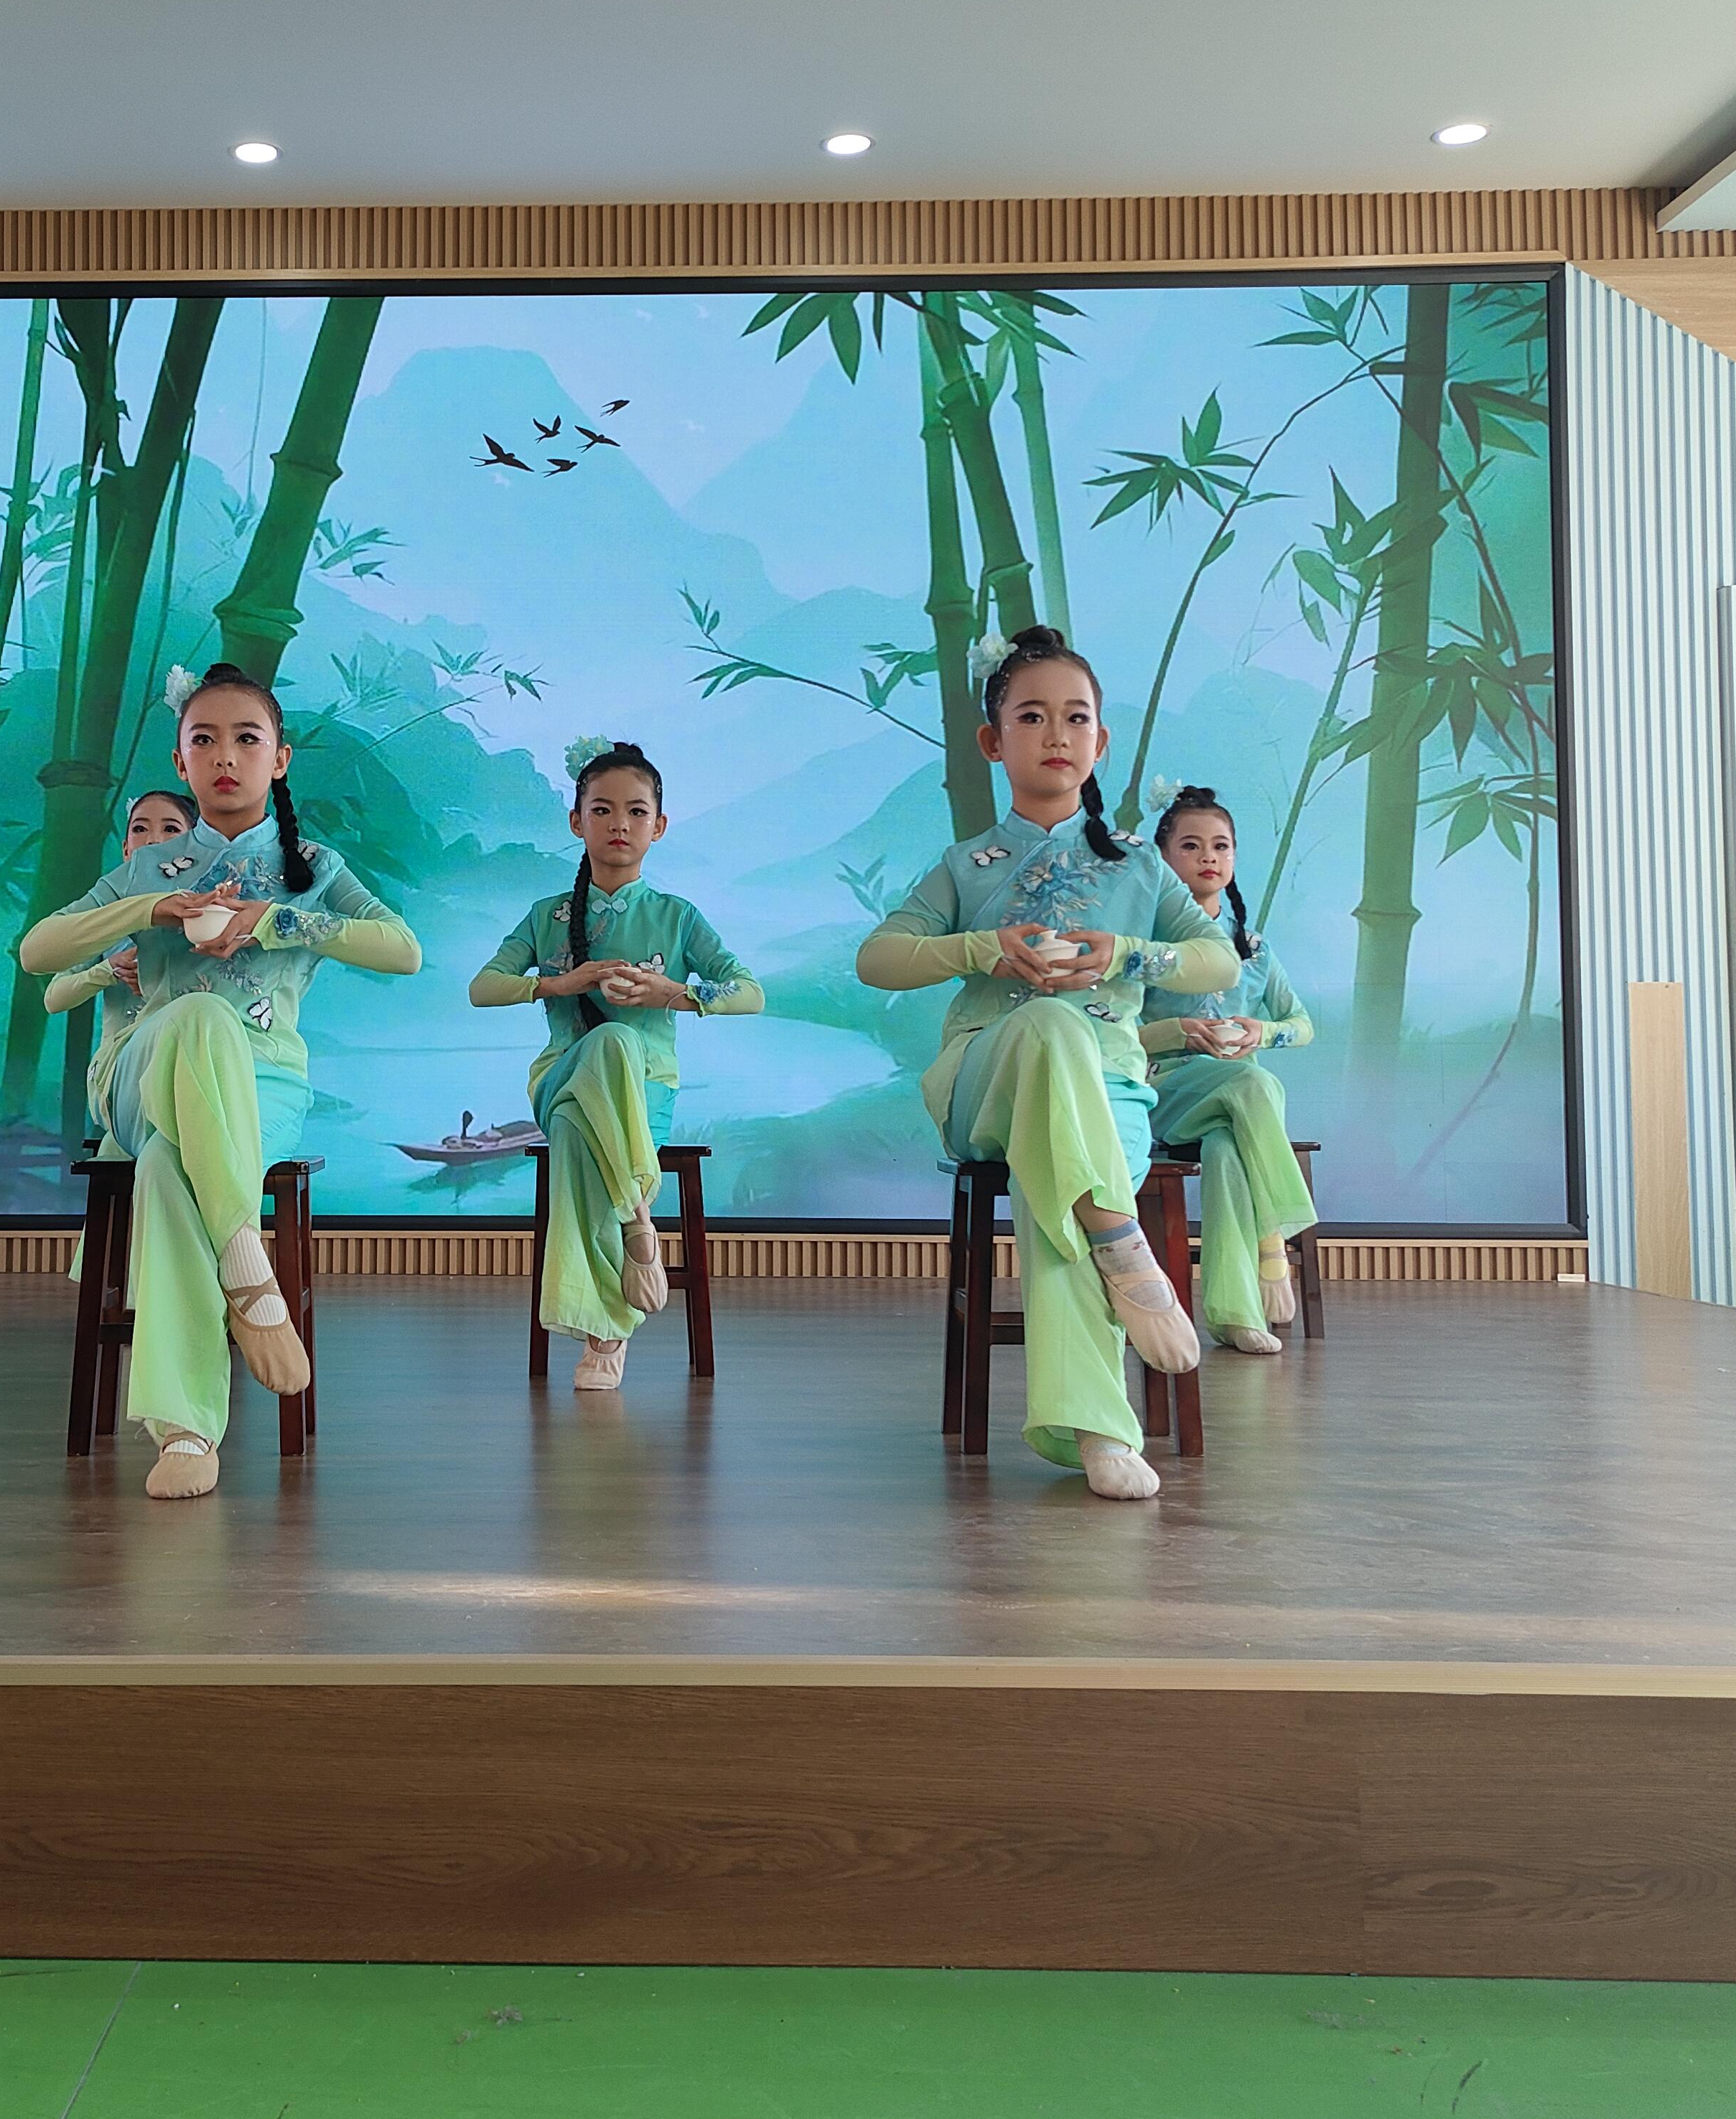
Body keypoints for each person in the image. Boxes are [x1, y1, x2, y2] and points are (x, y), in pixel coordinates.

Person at [17, 664, 419, 1499]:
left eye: (246, 739)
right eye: (204, 740)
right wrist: (148, 910)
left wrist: (274, 919)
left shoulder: (313, 866)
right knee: (199, 1017)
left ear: (280, 759)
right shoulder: (149, 867)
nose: (225, 756)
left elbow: (402, 951)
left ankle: (186, 1431)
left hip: (263, 1088)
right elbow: (38, 952)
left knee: (170, 1168)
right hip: (139, 1080)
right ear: (181, 759)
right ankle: (246, 1266)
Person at [854, 627, 1239, 1499]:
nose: (1056, 735)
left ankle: (1097, 1429)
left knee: (1056, 1167)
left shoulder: (1141, 867)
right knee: (1050, 1031)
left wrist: (1125, 955)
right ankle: (1120, 1245)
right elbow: (878, 959)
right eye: (1031, 717)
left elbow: (1217, 962)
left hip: (1110, 1097)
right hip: (983, 1082)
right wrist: (984, 948)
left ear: (1101, 742)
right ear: (993, 744)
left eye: (1076, 718)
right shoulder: (965, 866)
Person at [470, 739, 762, 1390]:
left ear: (659, 826)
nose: (619, 824)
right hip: (560, 1081)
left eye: (636, 812)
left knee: (602, 1085)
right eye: (602, 810)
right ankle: (635, 1219)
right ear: (577, 822)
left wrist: (673, 994)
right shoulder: (547, 917)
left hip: (640, 1096)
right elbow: (483, 987)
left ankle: (606, 1328)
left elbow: (750, 992)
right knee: (608, 1046)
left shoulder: (677, 917)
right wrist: (562, 984)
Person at [1143, 784, 1320, 1354]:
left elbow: (1303, 1025)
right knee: (1255, 1081)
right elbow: (1109, 1035)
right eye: (1190, 846)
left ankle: (1233, 1314)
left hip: (1235, 1107)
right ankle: (1274, 1239)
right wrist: (1178, 1031)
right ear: (1163, 857)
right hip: (1160, 1092)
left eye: (1220, 846)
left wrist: (1260, 1032)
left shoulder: (1253, 947)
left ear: (1235, 857)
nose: (1208, 857)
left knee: (1226, 1148)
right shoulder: (1146, 944)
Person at [42, 788, 200, 1141]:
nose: (153, 840)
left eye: (171, 829)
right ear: (126, 848)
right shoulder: (105, 918)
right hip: (122, 1074)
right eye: (140, 829)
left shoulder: (208, 916)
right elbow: (54, 998)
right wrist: (108, 971)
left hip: (191, 1068)